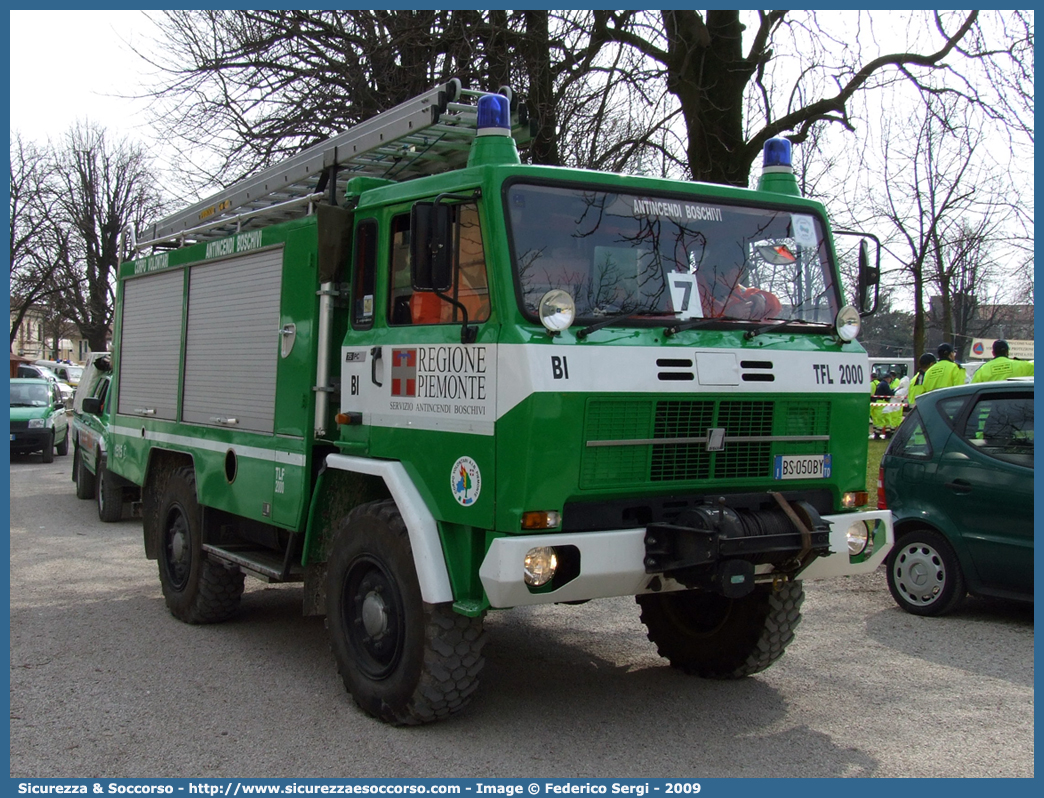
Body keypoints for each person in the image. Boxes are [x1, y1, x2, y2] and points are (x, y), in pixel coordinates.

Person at [970, 339, 1034, 383]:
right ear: (1007, 352)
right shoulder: (1022, 366)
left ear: (993, 353)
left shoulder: (982, 370)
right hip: (1017, 401)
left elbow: (973, 388)